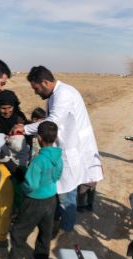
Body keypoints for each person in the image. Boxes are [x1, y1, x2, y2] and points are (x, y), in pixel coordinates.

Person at [14, 66, 103, 233]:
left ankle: (66, 231)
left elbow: (52, 122)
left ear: (45, 82)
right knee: (63, 193)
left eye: (36, 88)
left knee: (67, 196)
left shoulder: (64, 94)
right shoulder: (56, 94)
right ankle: (59, 225)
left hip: (71, 150)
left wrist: (25, 129)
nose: (35, 93)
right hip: (66, 149)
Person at [0, 121, 63, 259]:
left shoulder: (39, 160)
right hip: (51, 199)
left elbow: (31, 184)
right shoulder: (58, 156)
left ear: (38, 138)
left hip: (34, 200)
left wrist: (23, 187)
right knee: (45, 232)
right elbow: (58, 176)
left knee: (18, 231)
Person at [0, 90, 29, 246]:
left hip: (21, 167)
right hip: (2, 166)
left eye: (9, 107)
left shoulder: (21, 120)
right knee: (2, 200)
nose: (7, 111)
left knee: (20, 199)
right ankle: (1, 234)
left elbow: (29, 144)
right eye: (3, 108)